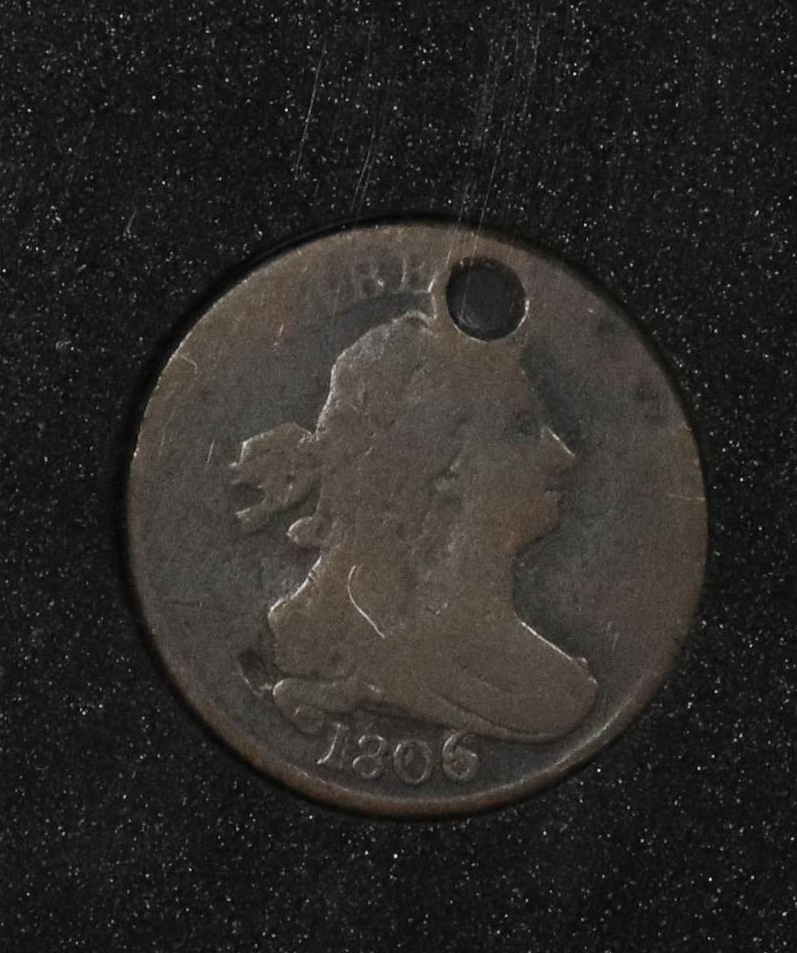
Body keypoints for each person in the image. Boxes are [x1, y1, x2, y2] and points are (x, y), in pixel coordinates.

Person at [230, 303, 596, 744]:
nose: (563, 457)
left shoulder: (552, 683)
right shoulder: (540, 697)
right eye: (521, 429)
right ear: (440, 465)